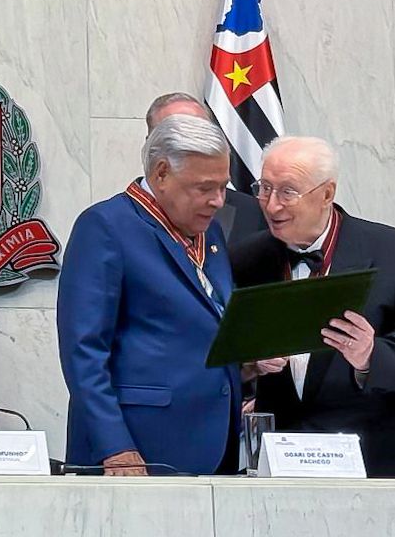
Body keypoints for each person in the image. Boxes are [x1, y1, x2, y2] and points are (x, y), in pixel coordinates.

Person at [58, 115, 241, 475]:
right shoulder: (106, 227)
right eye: (204, 188)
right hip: (139, 448)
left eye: (223, 187)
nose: (218, 200)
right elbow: (84, 350)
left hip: (215, 443)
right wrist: (115, 445)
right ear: (161, 173)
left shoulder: (212, 233)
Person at [230, 136, 395, 476]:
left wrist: (369, 357)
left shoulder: (388, 251)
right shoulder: (244, 258)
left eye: (288, 192)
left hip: (371, 464)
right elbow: (222, 352)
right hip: (277, 466)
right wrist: (249, 364)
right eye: (264, 188)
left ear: (326, 194)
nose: (271, 205)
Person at [145, 92, 267, 245]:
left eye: (203, 134)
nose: (218, 201)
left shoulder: (251, 214)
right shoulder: (113, 225)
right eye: (176, 136)